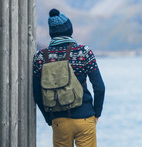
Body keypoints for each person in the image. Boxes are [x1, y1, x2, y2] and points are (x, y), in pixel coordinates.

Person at [33, 8, 105, 147]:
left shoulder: (41, 57)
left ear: (51, 33)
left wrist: (50, 118)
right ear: (69, 30)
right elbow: (99, 87)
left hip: (59, 121)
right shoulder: (83, 52)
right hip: (85, 118)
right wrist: (96, 114)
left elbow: (37, 93)